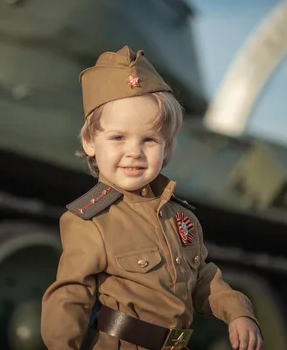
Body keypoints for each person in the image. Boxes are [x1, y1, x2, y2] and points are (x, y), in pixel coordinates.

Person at [41, 45, 263, 350]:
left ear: (167, 147)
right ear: (91, 142)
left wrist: (239, 313)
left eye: (149, 139)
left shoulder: (182, 219)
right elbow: (69, 299)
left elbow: (202, 279)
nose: (134, 151)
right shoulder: (92, 222)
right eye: (118, 137)